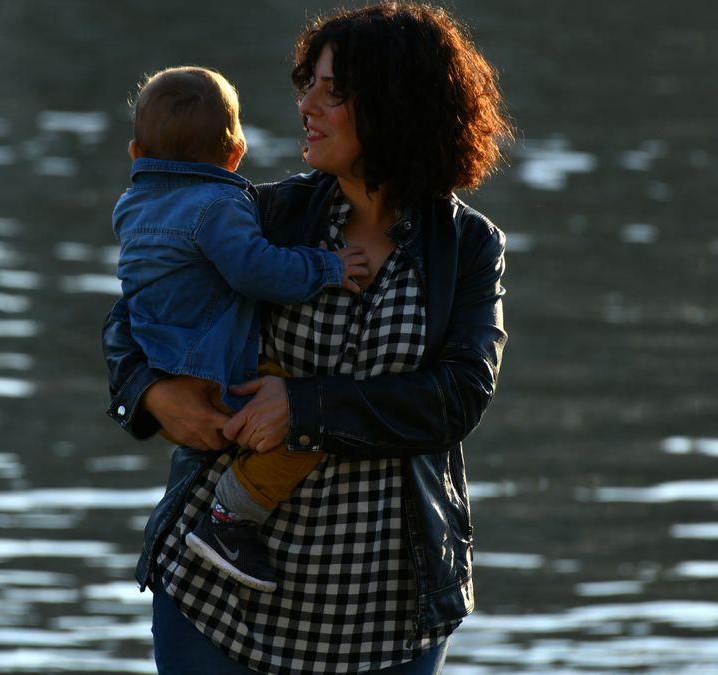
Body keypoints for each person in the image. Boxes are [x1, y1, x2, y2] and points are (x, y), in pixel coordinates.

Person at [104, 3, 513, 673]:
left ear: (394, 105)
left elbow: (457, 398)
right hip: (216, 604)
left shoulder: (468, 247)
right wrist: (151, 393)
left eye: (334, 91)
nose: (307, 106)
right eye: (309, 85)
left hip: (385, 615)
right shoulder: (266, 213)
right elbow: (138, 310)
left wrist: (303, 407)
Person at [113, 66, 369, 593]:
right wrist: (327, 267)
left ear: (136, 154)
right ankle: (229, 520)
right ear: (236, 153)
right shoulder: (223, 207)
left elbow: (130, 303)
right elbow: (257, 270)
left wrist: (150, 389)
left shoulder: (131, 206)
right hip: (215, 373)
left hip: (166, 370)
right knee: (305, 429)